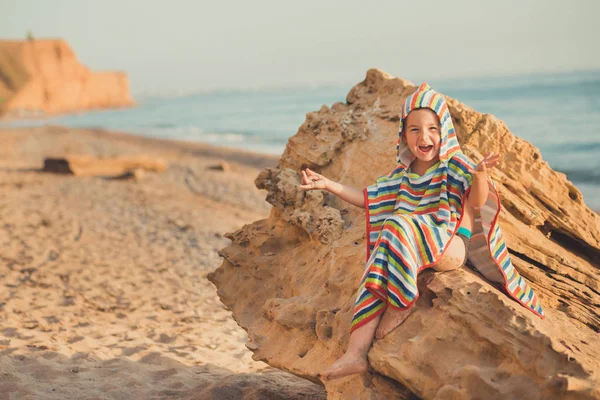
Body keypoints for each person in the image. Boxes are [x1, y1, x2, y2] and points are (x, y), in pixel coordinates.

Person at [298, 83, 545, 381]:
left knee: (397, 224)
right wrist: (328, 184)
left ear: (445, 132)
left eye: (432, 128)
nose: (423, 136)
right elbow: (368, 198)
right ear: (403, 135)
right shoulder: (402, 175)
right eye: (414, 129)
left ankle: (402, 302)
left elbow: (478, 202)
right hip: (413, 243)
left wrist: (479, 174)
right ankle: (355, 353)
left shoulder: (455, 165)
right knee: (377, 265)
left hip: (451, 245)